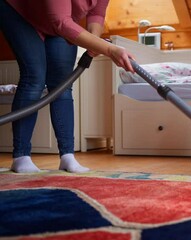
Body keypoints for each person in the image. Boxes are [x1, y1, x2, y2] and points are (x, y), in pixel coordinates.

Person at [0, 0, 135, 173]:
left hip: (59, 18)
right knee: (34, 77)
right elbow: (60, 22)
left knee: (62, 84)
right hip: (21, 12)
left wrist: (93, 42)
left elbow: (97, 14)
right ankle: (21, 156)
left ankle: (67, 156)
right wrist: (109, 49)